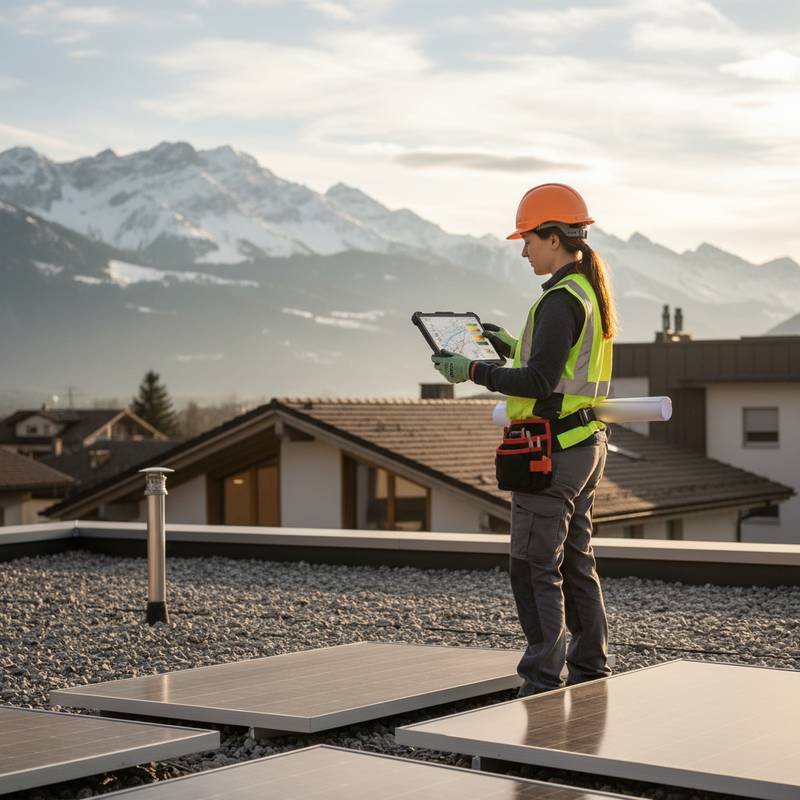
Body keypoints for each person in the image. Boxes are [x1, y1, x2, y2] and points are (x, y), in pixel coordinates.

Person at [431, 183, 616, 696]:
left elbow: (537, 383)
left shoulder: (560, 299)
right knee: (575, 562)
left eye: (529, 239)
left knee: (534, 566)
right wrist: (512, 346)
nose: (524, 249)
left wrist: (472, 368)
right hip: (585, 446)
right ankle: (588, 671)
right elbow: (559, 370)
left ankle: (539, 682)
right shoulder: (585, 291)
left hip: (554, 452)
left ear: (554, 238)